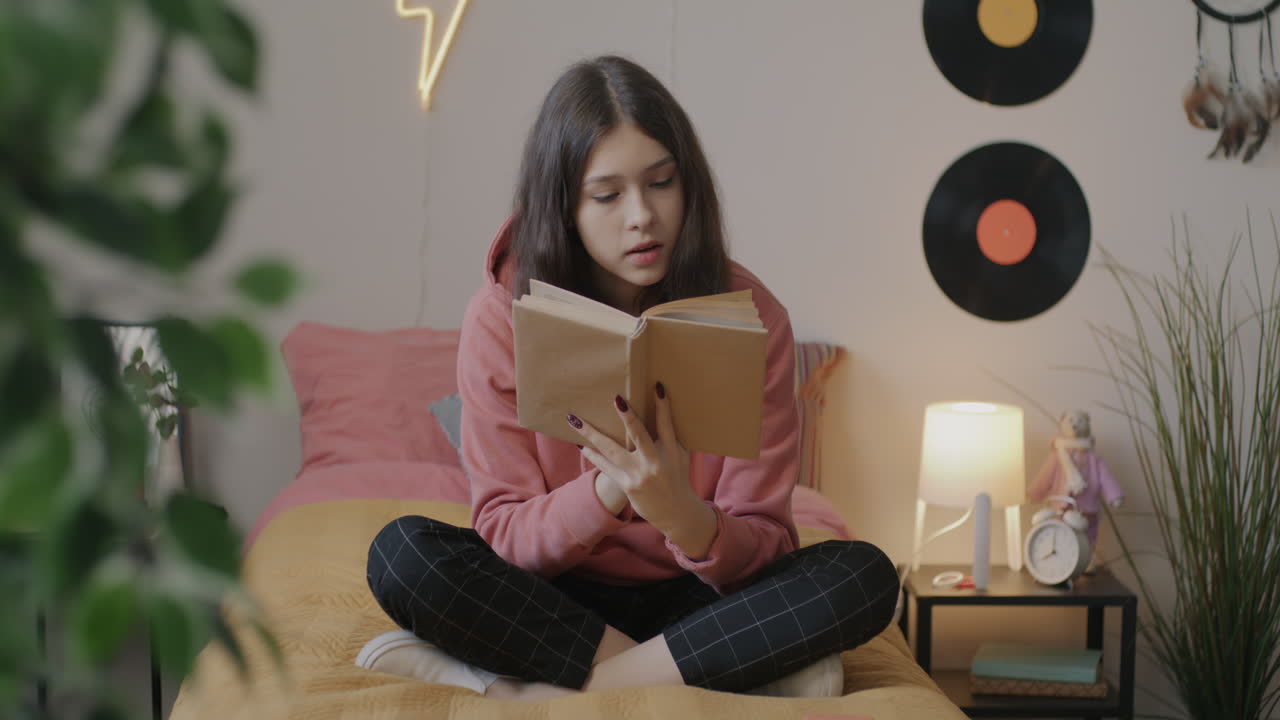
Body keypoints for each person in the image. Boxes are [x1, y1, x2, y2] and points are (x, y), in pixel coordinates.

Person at [364, 54, 899, 701]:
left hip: (698, 600)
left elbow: (763, 545)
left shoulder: (754, 318)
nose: (641, 216)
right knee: (404, 554)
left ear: (688, 185)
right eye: (608, 195)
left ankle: (553, 688)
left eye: (661, 183)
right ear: (564, 205)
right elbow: (505, 536)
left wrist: (678, 511)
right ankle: (703, 678)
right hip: (552, 598)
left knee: (863, 576)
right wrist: (609, 490)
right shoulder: (503, 317)